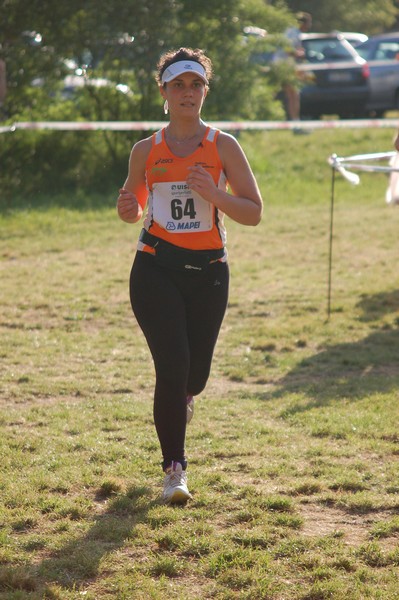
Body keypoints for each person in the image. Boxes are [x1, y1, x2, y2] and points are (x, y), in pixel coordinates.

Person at [116, 47, 263, 504]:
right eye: (177, 84)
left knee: (194, 376)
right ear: (163, 91)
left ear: (205, 91)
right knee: (173, 366)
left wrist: (214, 194)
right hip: (155, 268)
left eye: (195, 84)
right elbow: (134, 203)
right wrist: (129, 208)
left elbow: (254, 212)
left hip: (209, 273)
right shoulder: (146, 150)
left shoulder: (223, 145)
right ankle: (174, 469)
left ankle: (185, 398)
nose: (187, 92)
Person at [280, 11, 312, 125]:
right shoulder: (294, 32)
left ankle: (294, 120)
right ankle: (294, 121)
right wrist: (299, 54)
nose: (309, 26)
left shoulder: (291, 31)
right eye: (308, 23)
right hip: (286, 67)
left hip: (287, 66)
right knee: (293, 94)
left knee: (292, 94)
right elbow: (287, 49)